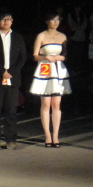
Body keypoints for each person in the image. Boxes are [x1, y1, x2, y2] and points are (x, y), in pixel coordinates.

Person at [0, 9, 27, 150]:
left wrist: (11, 72)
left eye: (9, 19)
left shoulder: (18, 37)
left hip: (13, 78)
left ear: (12, 21)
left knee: (11, 110)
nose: (6, 22)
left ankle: (11, 139)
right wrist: (1, 72)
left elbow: (22, 57)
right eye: (3, 19)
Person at [29, 12, 72, 147]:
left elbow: (65, 55)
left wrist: (60, 57)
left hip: (58, 69)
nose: (55, 22)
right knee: (46, 104)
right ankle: (47, 135)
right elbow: (35, 55)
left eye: (58, 20)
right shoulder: (41, 36)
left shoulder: (62, 36)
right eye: (53, 19)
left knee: (56, 104)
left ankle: (56, 135)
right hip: (45, 68)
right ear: (47, 21)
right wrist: (45, 57)